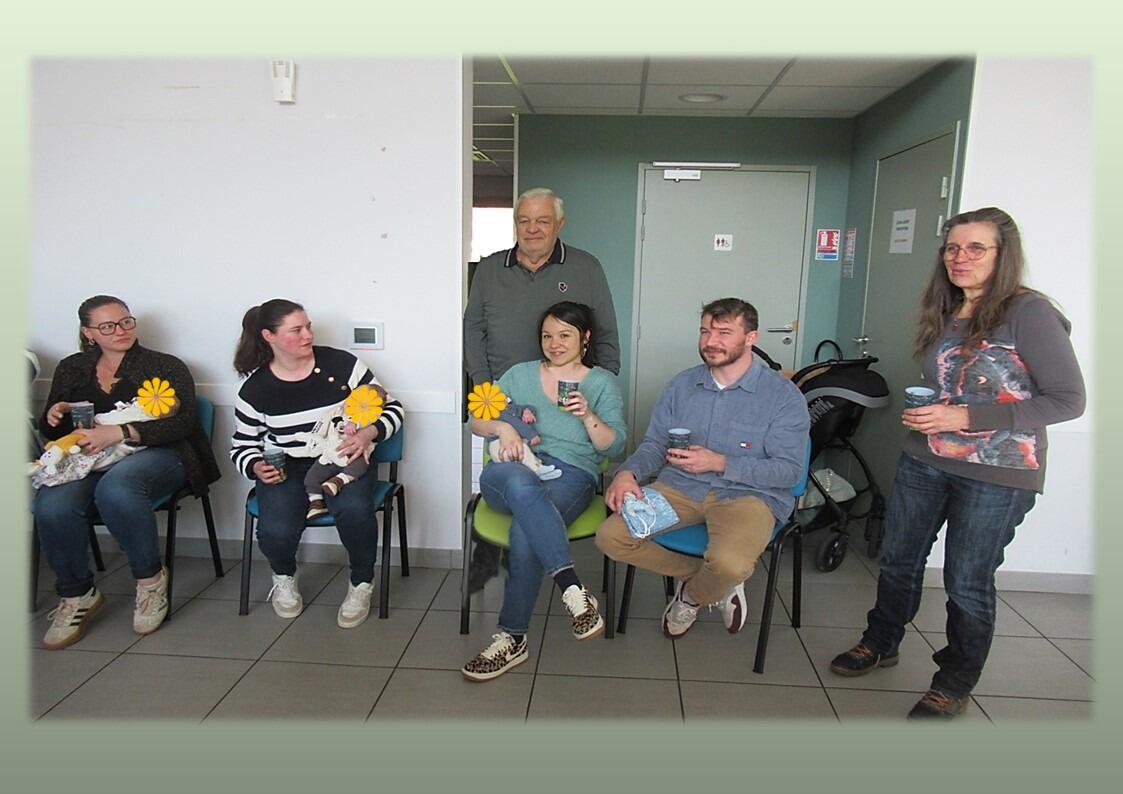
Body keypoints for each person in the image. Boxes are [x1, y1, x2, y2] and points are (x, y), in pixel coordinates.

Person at [829, 207, 1086, 719]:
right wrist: (931, 413)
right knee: (899, 561)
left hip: (999, 474)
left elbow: (1068, 400)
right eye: (952, 248)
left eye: (975, 248)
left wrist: (964, 416)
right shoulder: (947, 309)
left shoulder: (1030, 312)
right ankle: (880, 641)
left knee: (967, 580)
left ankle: (954, 681)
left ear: (1002, 255)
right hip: (926, 459)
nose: (960, 257)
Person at [596, 298, 809, 639]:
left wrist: (719, 462)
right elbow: (655, 444)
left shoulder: (782, 396)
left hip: (748, 497)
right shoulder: (682, 385)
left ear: (751, 337)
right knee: (611, 537)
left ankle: (692, 597)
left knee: (729, 563)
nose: (711, 341)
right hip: (680, 488)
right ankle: (713, 582)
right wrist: (627, 474)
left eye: (724, 332)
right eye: (705, 331)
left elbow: (788, 472)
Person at [35, 295, 221, 649]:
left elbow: (183, 423)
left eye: (125, 322)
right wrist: (55, 415)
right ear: (88, 333)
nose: (120, 330)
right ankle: (77, 594)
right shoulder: (72, 367)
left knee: (118, 487)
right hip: (89, 459)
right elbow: (53, 431)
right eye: (107, 326)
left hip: (160, 453)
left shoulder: (165, 365)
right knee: (51, 503)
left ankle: (150, 582)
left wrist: (121, 432)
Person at [463, 187, 622, 592]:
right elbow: (473, 329)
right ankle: (550, 576)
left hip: (564, 406)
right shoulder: (490, 268)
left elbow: (605, 330)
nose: (532, 229)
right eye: (524, 220)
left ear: (559, 224)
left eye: (543, 221)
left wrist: (599, 384)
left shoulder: (585, 267)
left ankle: (516, 566)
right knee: (510, 471)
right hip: (506, 401)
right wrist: (484, 387)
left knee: (531, 489)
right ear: (515, 223)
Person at [462, 301, 626, 681]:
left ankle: (512, 638)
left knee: (525, 531)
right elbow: (476, 419)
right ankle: (571, 587)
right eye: (547, 336)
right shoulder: (518, 375)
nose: (554, 344)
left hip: (571, 473)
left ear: (585, 338)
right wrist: (503, 428)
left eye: (565, 335)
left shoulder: (601, 383)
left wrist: (587, 415)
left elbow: (615, 447)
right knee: (521, 482)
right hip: (512, 470)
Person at [231, 299, 404, 628]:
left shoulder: (342, 364)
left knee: (354, 511)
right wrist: (255, 466)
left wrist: (368, 433)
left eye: (308, 326)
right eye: (296, 330)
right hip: (288, 465)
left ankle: (361, 583)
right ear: (268, 336)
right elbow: (242, 446)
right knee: (275, 528)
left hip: (344, 457)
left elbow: (393, 409)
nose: (308, 335)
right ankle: (284, 576)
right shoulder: (255, 389)